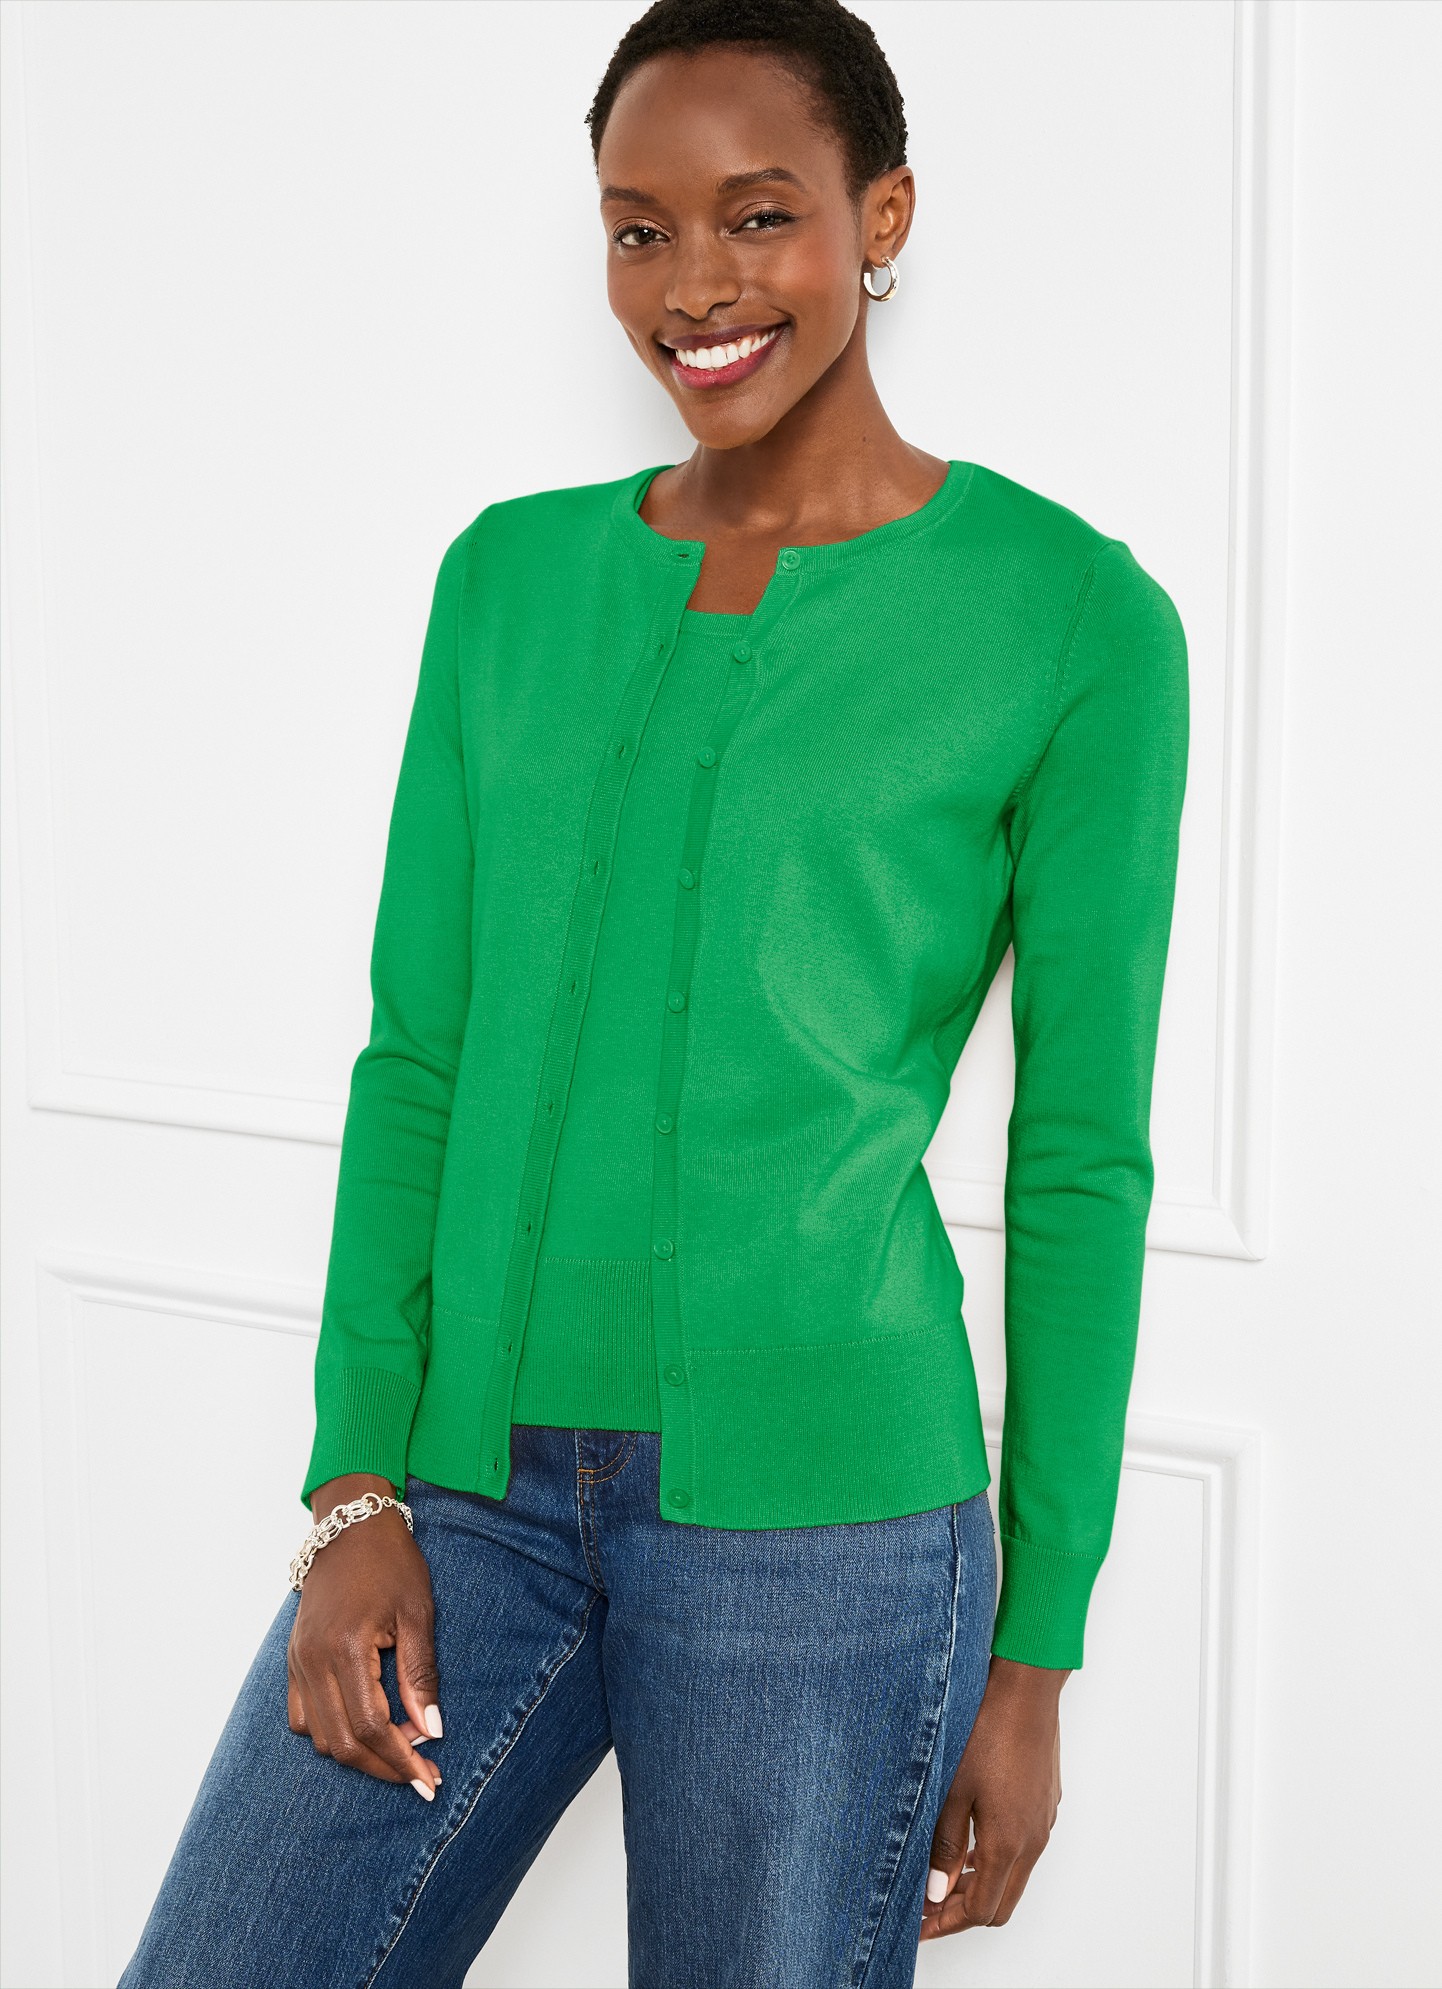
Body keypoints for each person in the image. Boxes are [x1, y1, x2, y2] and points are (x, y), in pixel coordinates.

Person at [121, 1, 1189, 1983]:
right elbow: (419, 1053)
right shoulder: (505, 582)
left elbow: (1078, 1158)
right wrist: (353, 1478)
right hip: (463, 1491)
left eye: (757, 215)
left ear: (881, 217)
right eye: (637, 229)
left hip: (829, 1531)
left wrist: (1035, 1646)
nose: (693, 285)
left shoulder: (1071, 619)